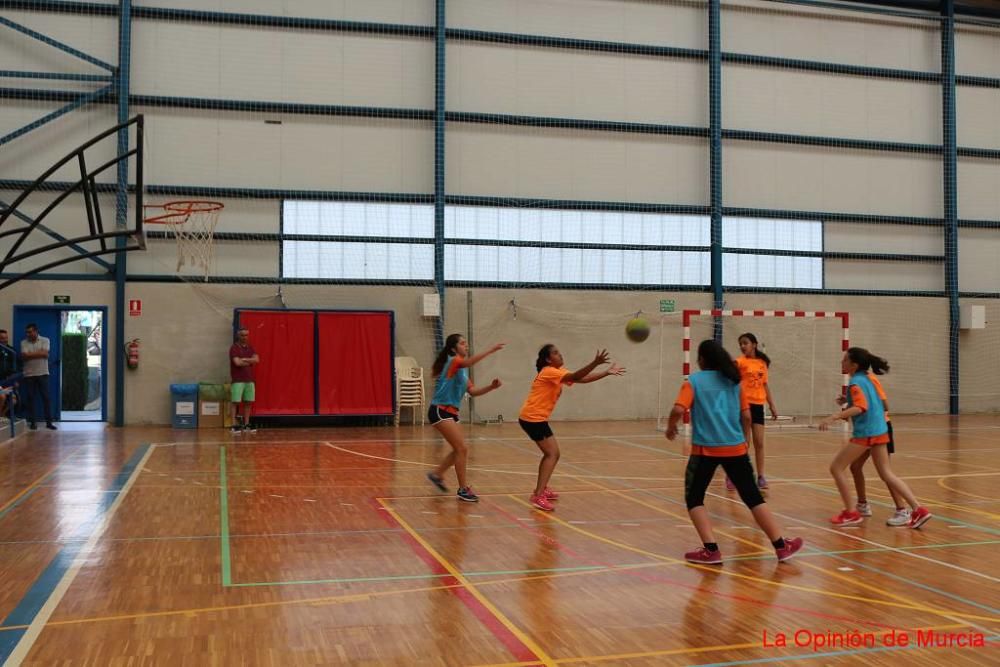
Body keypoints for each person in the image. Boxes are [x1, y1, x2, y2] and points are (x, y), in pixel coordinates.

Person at [666, 339, 803, 564]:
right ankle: (781, 545)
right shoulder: (735, 382)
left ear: (701, 360)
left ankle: (711, 550)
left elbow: (678, 409)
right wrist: (743, 439)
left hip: (705, 451)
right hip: (736, 447)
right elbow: (747, 417)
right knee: (753, 497)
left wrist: (672, 426)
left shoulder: (693, 381)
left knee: (694, 498)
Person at [819, 347, 931, 529]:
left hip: (867, 432)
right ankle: (918, 509)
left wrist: (834, 416)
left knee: (837, 468)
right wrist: (847, 404)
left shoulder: (856, 382)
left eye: (845, 360)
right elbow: (867, 403)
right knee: (886, 473)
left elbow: (861, 407)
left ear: (854, 365)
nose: (842, 362)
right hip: (881, 430)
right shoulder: (867, 379)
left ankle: (851, 513)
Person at [518, 346, 625, 511]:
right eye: (555, 352)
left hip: (536, 418)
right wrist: (595, 362)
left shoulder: (557, 371)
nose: (560, 354)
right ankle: (538, 495)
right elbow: (576, 376)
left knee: (552, 454)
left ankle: (542, 488)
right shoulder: (549, 371)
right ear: (547, 359)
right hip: (533, 418)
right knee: (552, 454)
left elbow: (583, 378)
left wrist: (606, 372)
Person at [425, 334, 504, 502]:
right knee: (462, 449)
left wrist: (491, 387)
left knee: (458, 449)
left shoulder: (463, 370)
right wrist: (490, 350)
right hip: (440, 410)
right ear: (454, 349)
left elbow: (473, 391)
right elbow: (467, 362)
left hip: (452, 413)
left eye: (466, 343)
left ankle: (437, 474)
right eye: (462, 343)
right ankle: (462, 489)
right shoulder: (454, 361)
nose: (466, 346)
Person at [839, 367, 910, 526]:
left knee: (885, 472)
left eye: (846, 359)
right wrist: (848, 399)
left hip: (880, 427)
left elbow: (884, 404)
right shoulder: (859, 381)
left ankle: (902, 510)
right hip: (869, 430)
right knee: (855, 466)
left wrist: (853, 409)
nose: (843, 362)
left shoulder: (870, 379)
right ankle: (862, 505)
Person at [726, 332, 778, 490]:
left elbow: (765, 385)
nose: (742, 346)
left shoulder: (762, 363)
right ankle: (732, 476)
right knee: (743, 443)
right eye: (740, 343)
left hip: (758, 406)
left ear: (754, 344)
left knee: (759, 443)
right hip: (744, 406)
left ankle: (761, 476)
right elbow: (731, 382)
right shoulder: (738, 362)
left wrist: (772, 405)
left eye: (745, 343)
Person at [20, 324, 56, 430]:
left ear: (36, 331)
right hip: (29, 374)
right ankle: (33, 423)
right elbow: (24, 355)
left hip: (43, 373)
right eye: (27, 332)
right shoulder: (23, 342)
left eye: (30, 332)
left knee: (46, 398)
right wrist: (40, 353)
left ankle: (49, 423)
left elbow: (45, 353)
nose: (28, 334)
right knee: (30, 399)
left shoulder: (45, 340)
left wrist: (30, 354)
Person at [229, 327, 259, 434]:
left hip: (249, 380)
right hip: (238, 380)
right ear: (238, 336)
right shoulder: (234, 348)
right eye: (242, 335)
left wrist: (245, 359)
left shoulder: (250, 348)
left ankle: (246, 424)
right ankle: (233, 425)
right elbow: (237, 363)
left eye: (246, 335)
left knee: (248, 402)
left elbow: (257, 360)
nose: (244, 337)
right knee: (235, 402)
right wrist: (250, 362)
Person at [0, 329, 18, 420]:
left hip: (8, 381)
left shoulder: (12, 351)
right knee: (2, 397)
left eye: (6, 338)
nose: (5, 340)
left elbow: (16, 367)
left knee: (14, 400)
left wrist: (15, 380)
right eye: (2, 338)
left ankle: (2, 415)